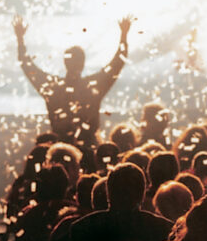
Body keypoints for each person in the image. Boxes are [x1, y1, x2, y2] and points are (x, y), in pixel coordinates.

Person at [13, 15, 132, 159]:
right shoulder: (93, 86)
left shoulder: (53, 87)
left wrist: (20, 40)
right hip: (89, 150)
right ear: (82, 64)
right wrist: (124, 35)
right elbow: (117, 64)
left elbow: (27, 66)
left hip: (60, 151)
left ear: (65, 63)